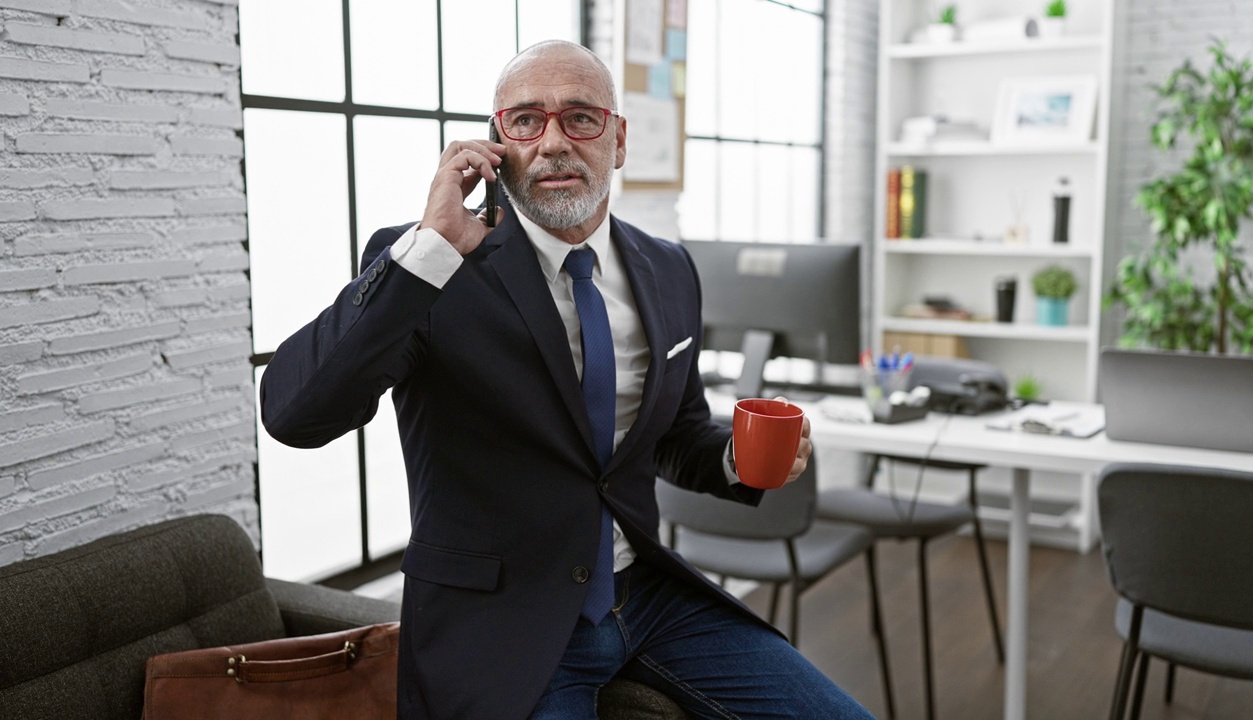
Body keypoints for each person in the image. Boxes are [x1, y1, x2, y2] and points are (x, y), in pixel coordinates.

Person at [260, 40, 874, 720]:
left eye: (580, 117)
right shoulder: (429, 267)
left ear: (619, 139)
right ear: (497, 143)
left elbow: (674, 432)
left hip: (648, 597)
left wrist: (737, 458)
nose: (552, 142)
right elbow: (295, 414)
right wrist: (429, 247)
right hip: (504, 619)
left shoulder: (669, 268)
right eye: (526, 120)